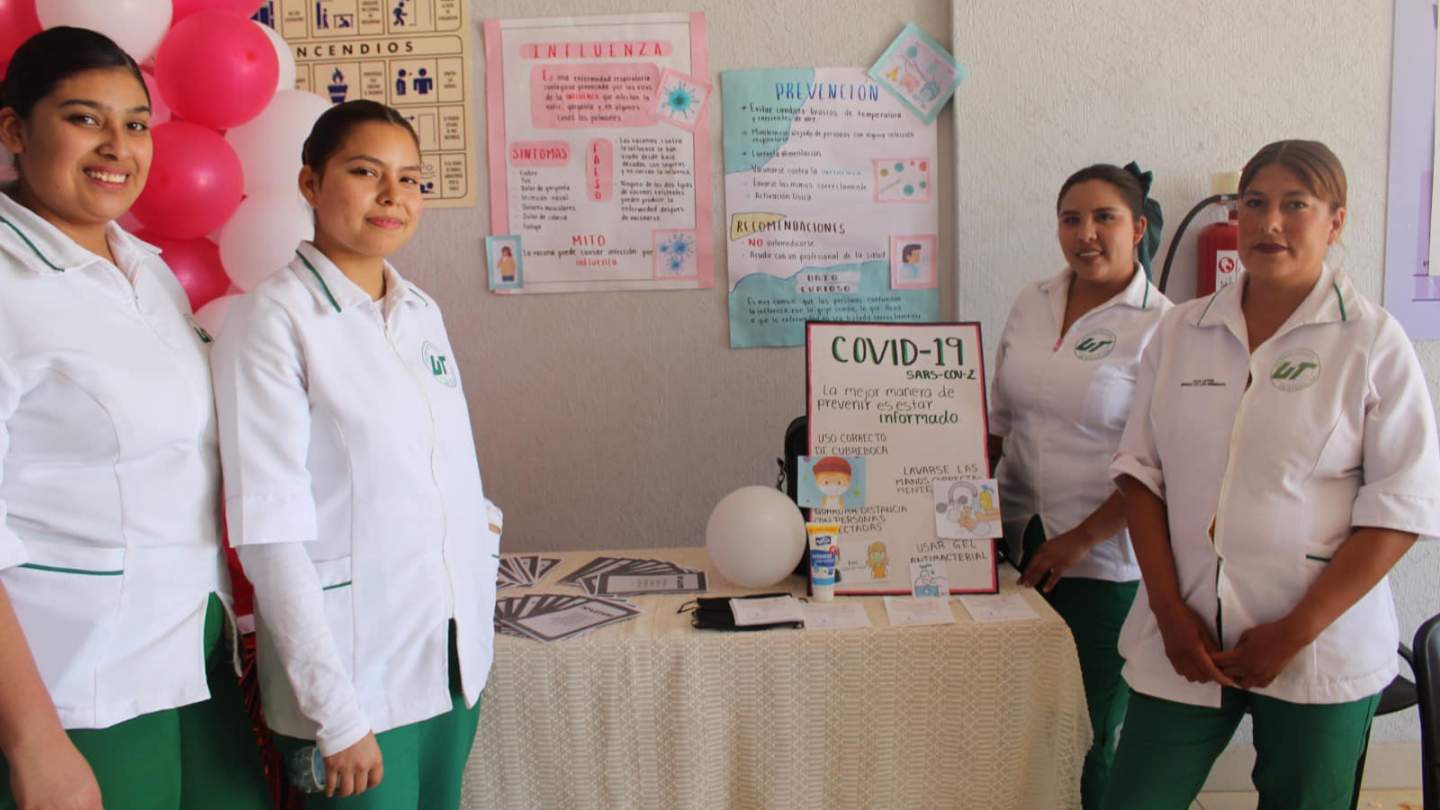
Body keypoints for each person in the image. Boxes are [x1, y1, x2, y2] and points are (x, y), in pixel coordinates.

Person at [1101, 140, 1440, 809]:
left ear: (1335, 221)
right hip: (1184, 637)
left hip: (1317, 643)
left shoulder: (1370, 341)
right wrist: (1168, 611)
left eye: (1296, 205)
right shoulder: (1180, 332)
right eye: (1254, 203)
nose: (1270, 223)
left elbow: (1401, 508)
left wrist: (1295, 630)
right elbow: (1140, 476)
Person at [0, 26, 268, 810]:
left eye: (137, 123)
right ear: (15, 130)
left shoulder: (145, 272)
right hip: (72, 686)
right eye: (85, 118)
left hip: (193, 657)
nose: (118, 146)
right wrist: (35, 743)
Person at [211, 99, 501, 809]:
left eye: (410, 179)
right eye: (366, 172)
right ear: (309, 184)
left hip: (446, 657)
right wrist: (335, 716)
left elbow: (438, 468)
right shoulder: (272, 321)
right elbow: (268, 534)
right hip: (352, 683)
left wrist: (483, 529)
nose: (392, 196)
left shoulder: (420, 312)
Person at [987, 162, 1170, 810]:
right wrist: (951, 515)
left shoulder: (1164, 327)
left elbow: (1160, 465)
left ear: (1139, 226)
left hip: (1102, 563)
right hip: (1013, 541)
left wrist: (1080, 542)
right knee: (1018, 721)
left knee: (1088, 731)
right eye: (1072, 218)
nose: (1086, 233)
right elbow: (999, 422)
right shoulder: (1032, 301)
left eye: (1105, 218)